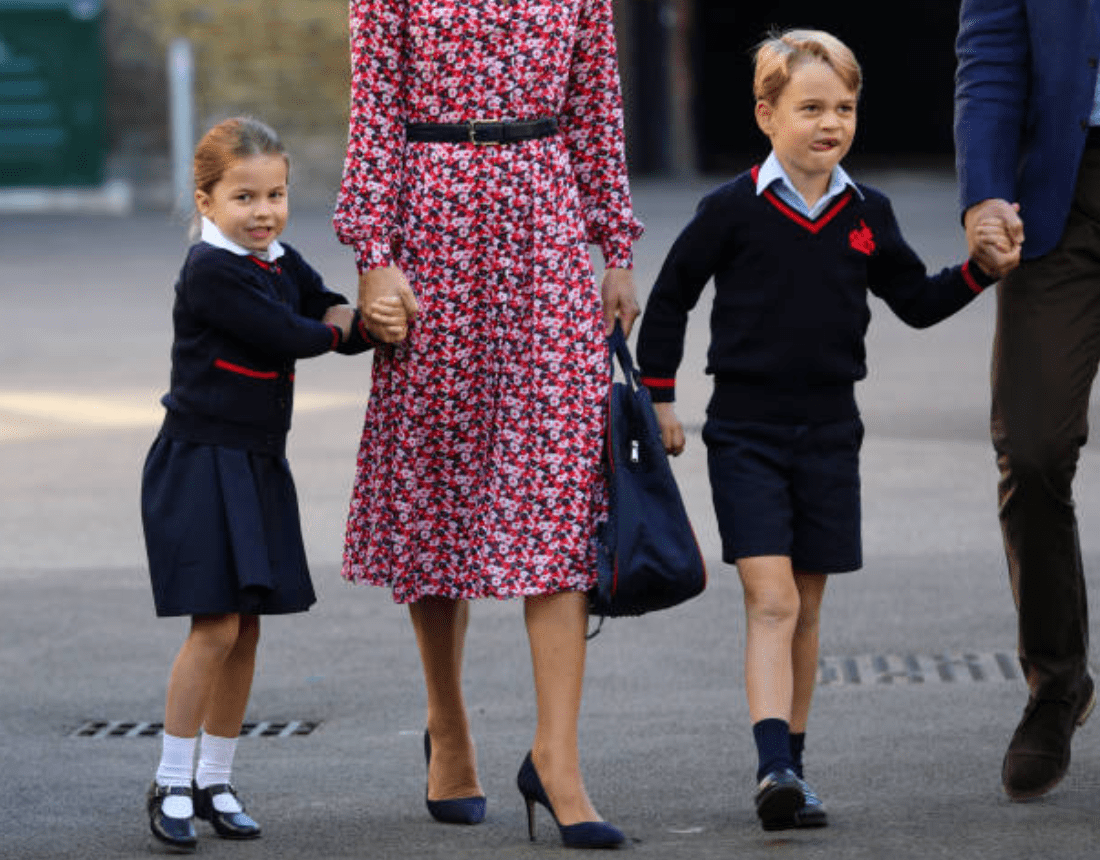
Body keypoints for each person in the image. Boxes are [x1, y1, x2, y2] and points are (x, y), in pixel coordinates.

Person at [636, 29, 1005, 831]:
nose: (830, 123)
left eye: (844, 108)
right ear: (767, 115)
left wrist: (980, 270)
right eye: (810, 108)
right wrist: (660, 399)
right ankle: (771, 766)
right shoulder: (730, 208)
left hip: (834, 433)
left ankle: (792, 771)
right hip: (746, 432)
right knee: (769, 599)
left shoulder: (868, 212)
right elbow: (670, 299)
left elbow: (914, 299)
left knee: (804, 606)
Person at [333, 0, 642, 849]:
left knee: (560, 484)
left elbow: (595, 105)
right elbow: (375, 110)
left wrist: (615, 247)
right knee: (438, 481)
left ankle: (559, 759)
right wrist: (374, 256)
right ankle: (449, 727)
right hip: (429, 227)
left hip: (544, 225)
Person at [141, 116, 402, 851]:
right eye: (244, 197)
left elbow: (317, 299)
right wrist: (365, 326)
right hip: (200, 463)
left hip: (255, 462)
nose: (263, 212)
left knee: (247, 625)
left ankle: (215, 779)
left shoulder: (277, 259)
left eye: (277, 194)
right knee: (214, 624)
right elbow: (296, 332)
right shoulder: (211, 271)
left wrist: (351, 316)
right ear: (206, 200)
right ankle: (169, 779)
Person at [955, 0, 1100, 801]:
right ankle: (1057, 683)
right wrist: (983, 192)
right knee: (1034, 446)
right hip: (1060, 197)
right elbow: (991, 57)